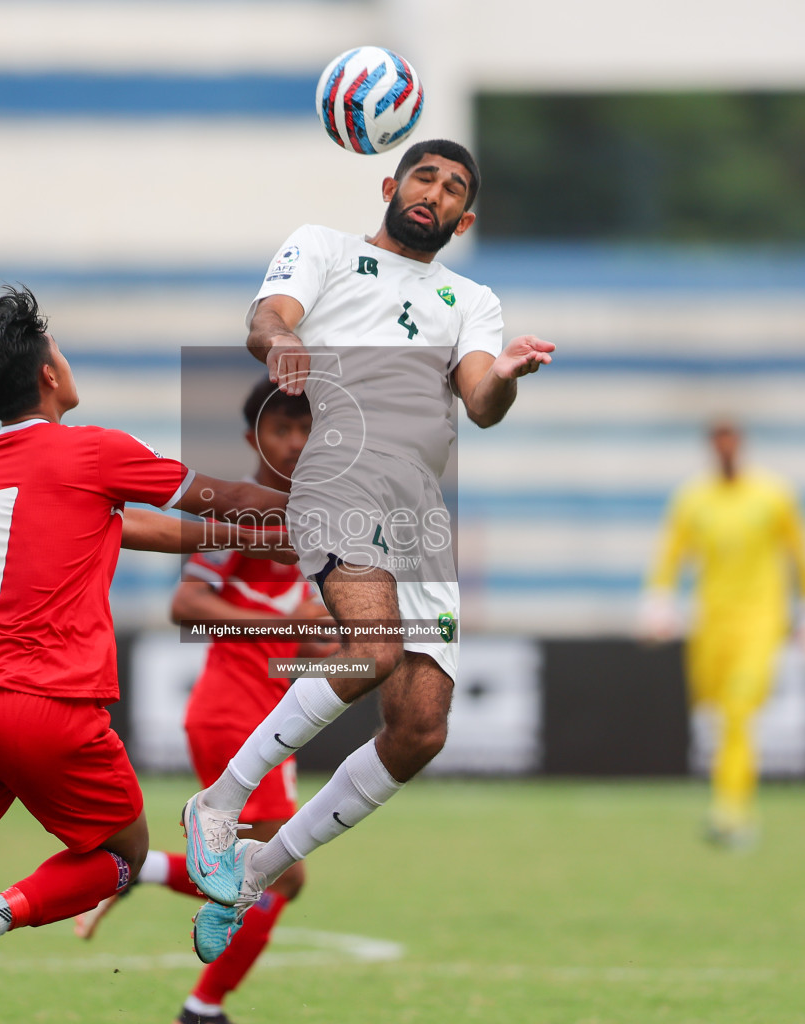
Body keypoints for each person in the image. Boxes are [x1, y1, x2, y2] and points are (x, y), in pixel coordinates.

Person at [0, 286, 292, 1024]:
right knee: (121, 856)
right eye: (61, 354)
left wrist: (263, 540)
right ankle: (0, 916)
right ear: (48, 375)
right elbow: (215, 498)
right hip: (47, 702)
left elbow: (142, 531)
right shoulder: (92, 450)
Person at [180, 139, 557, 958]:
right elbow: (267, 316)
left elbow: (482, 402)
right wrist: (279, 341)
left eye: (455, 187)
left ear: (466, 217)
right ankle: (219, 803)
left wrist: (513, 373)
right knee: (372, 648)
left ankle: (257, 871)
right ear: (391, 184)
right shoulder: (323, 247)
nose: (437, 193)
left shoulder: (470, 299)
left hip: (419, 509)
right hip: (339, 479)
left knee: (421, 730)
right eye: (424, 177)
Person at [73, 378, 336, 1023]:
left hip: (271, 711)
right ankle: (202, 1008)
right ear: (254, 440)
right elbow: (186, 603)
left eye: (307, 427)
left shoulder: (328, 517)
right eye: (282, 429)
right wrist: (288, 625)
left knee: (274, 874)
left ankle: (150, 886)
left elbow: (309, 639)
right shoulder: (243, 516)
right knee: (279, 875)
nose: (297, 441)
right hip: (234, 713)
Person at [638, 419, 805, 847]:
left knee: (739, 710)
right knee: (712, 712)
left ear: (741, 445)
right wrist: (659, 600)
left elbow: (801, 553)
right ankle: (727, 796)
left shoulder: (773, 495)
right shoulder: (694, 499)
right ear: (712, 448)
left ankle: (732, 813)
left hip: (761, 621)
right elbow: (671, 553)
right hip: (711, 621)